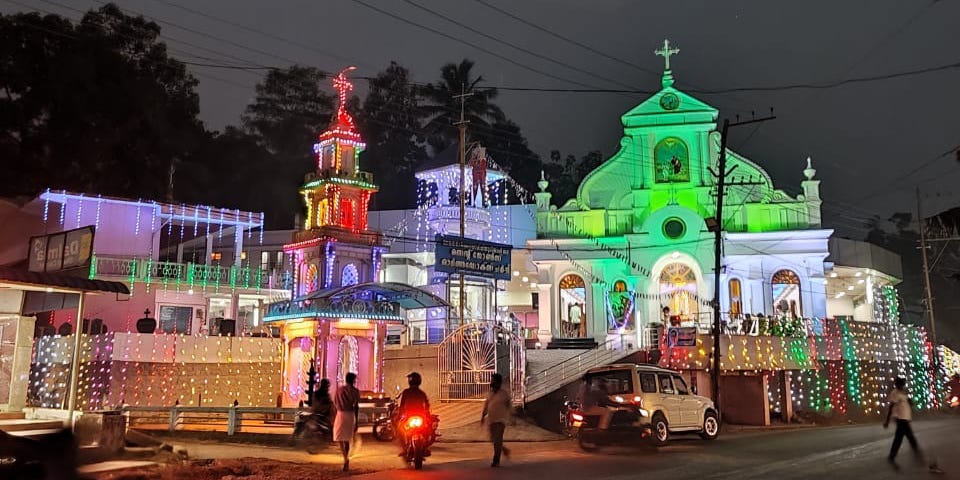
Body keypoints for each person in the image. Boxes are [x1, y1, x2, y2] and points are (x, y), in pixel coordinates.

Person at [884, 377, 944, 474]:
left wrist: (910, 401)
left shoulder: (903, 393)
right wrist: (887, 420)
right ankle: (921, 458)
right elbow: (891, 407)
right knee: (909, 438)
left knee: (899, 438)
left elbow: (908, 402)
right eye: (900, 384)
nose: (902, 385)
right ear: (897, 384)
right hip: (900, 419)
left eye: (903, 384)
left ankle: (892, 456)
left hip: (905, 419)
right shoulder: (895, 393)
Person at [396, 372, 432, 456]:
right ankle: (425, 448)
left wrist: (398, 417)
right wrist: (427, 416)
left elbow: (402, 406)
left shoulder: (406, 392)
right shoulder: (421, 393)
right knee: (427, 430)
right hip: (420, 417)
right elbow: (427, 406)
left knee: (399, 430)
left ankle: (405, 449)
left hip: (409, 416)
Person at [481, 373, 512, 467]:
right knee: (493, 439)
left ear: (498, 383)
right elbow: (486, 405)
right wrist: (482, 416)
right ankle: (504, 450)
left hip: (500, 420)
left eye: (493, 381)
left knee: (497, 440)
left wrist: (510, 417)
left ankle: (496, 460)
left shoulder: (504, 394)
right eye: (491, 380)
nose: (492, 382)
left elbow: (509, 406)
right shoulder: (490, 394)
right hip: (491, 420)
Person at [333, 372, 361, 472]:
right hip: (350, 414)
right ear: (353, 380)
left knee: (339, 437)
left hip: (340, 414)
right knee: (347, 438)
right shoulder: (356, 391)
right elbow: (356, 406)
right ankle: (346, 457)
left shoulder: (339, 390)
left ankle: (345, 458)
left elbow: (335, 403)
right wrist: (356, 421)